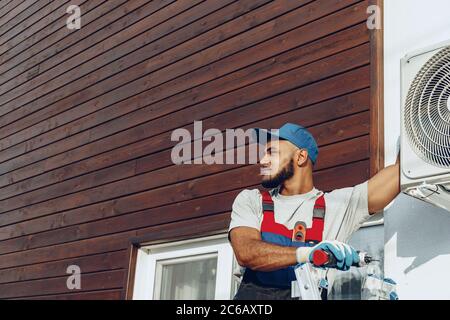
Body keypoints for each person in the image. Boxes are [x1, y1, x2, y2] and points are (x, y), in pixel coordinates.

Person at [228, 123, 400, 300]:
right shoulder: (252, 200)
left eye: (272, 152)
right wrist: (308, 254)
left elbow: (400, 173)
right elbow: (246, 252)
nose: (262, 160)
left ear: (301, 157)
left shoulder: (336, 206)